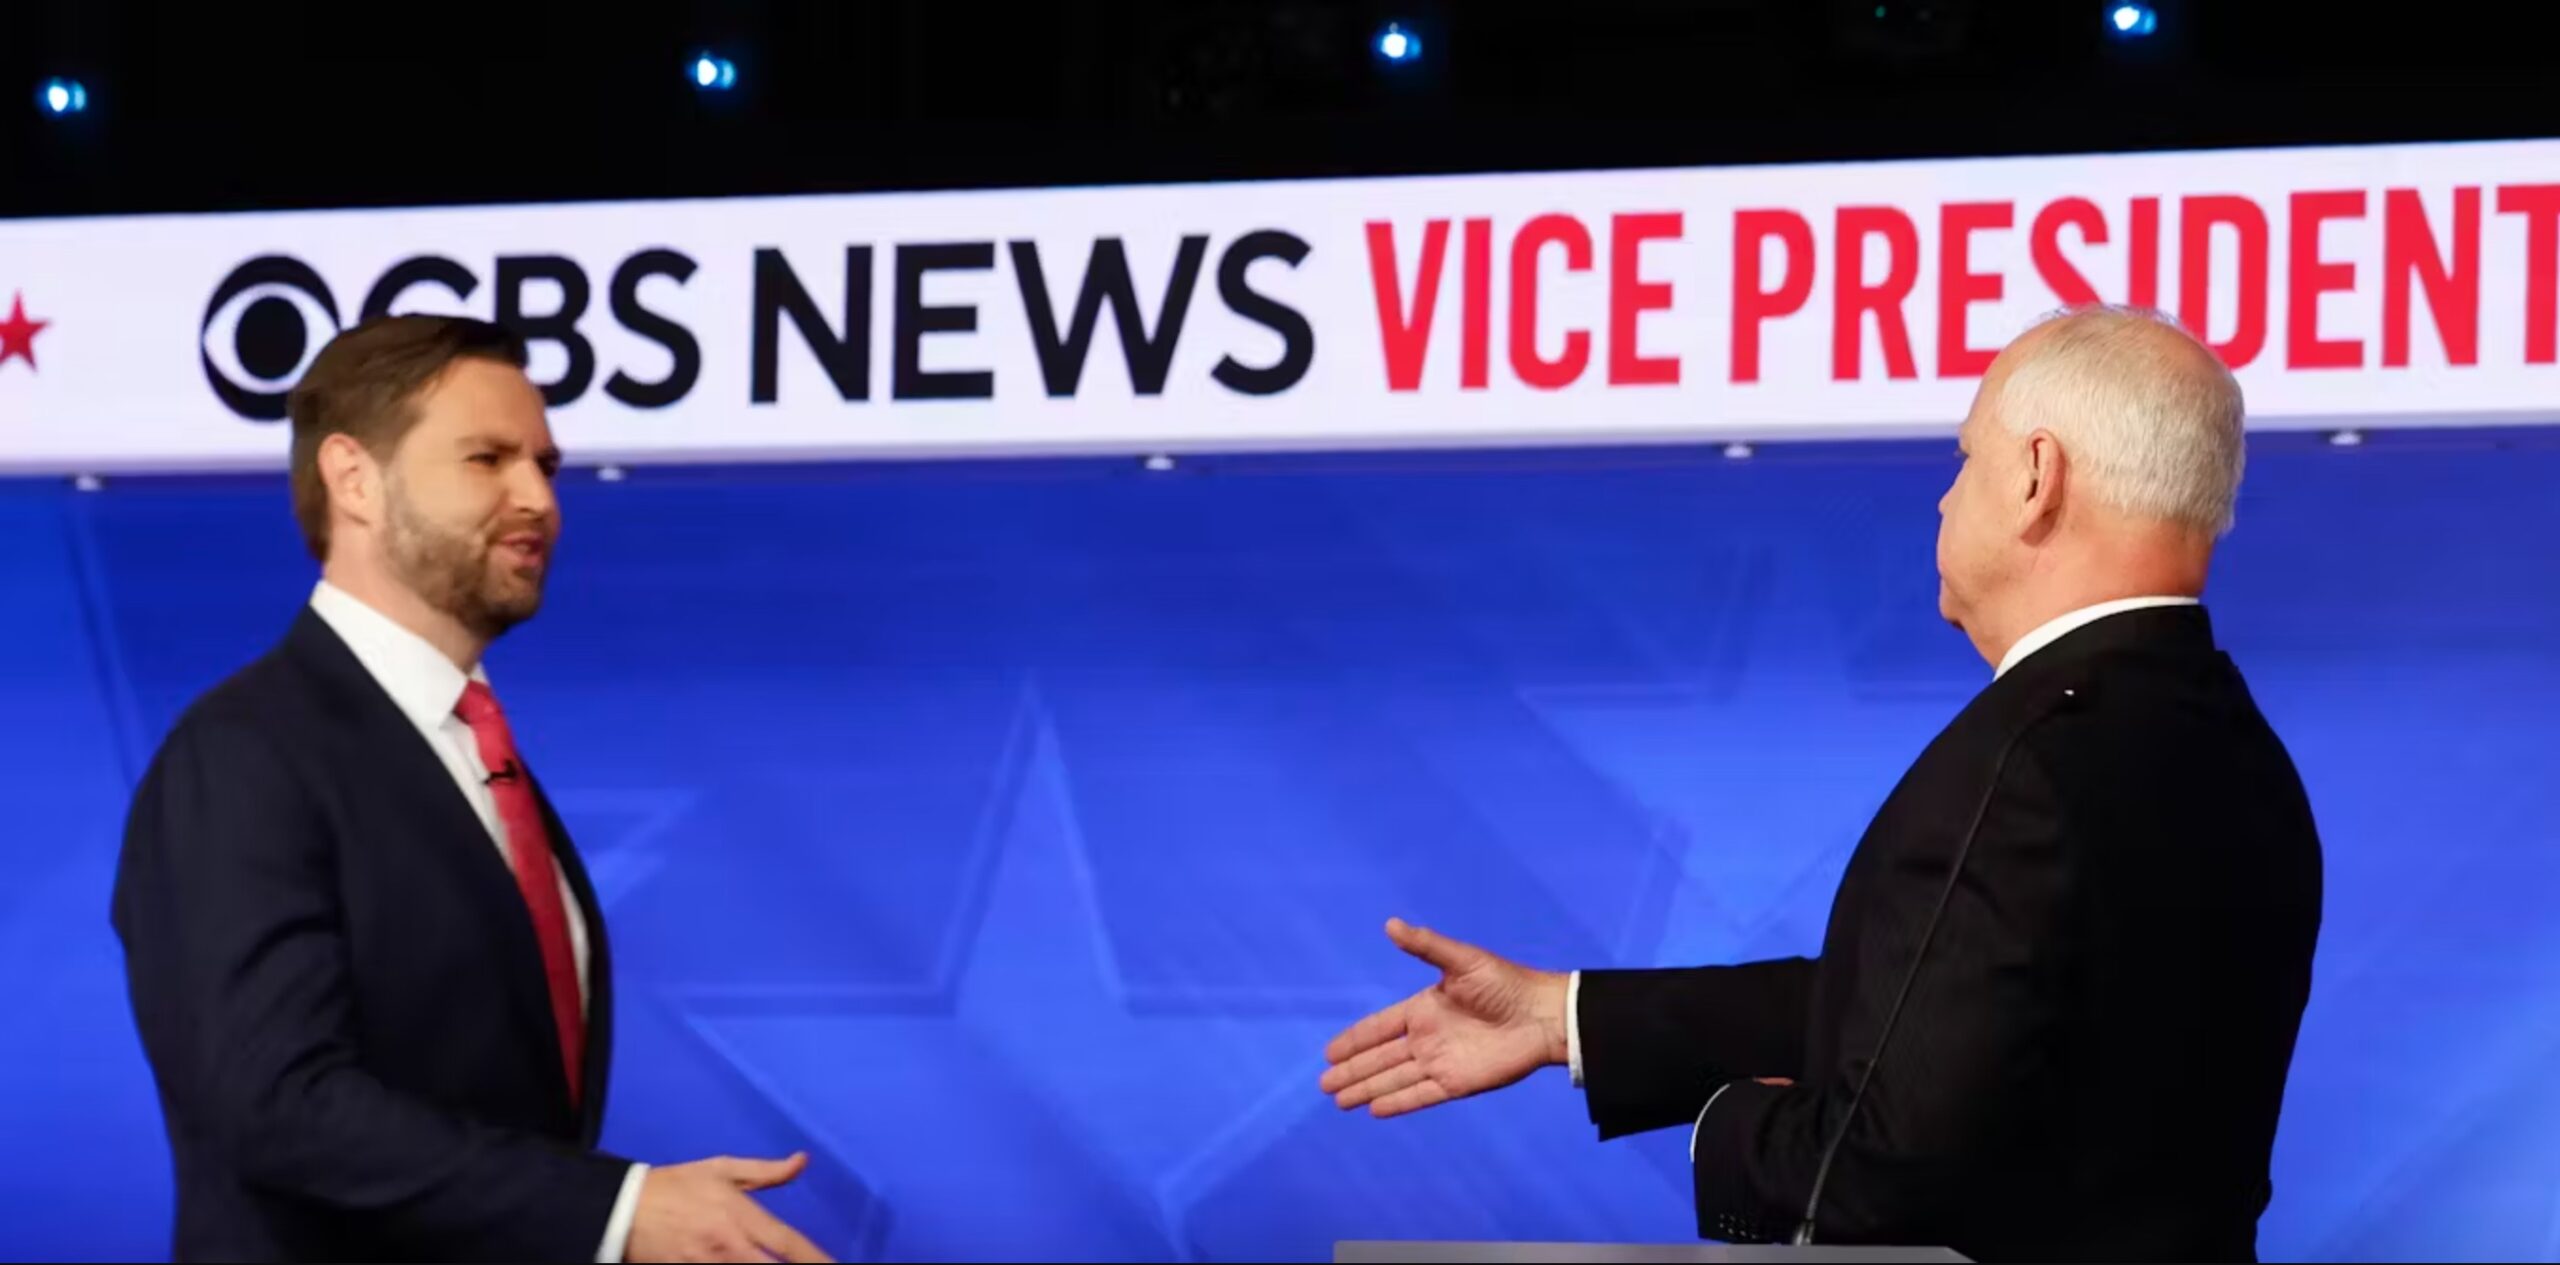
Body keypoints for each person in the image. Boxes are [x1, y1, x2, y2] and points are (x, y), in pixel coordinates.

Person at [1318, 305, 2325, 1262]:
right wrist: (1563, 1016)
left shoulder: (2033, 759)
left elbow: (1879, 1172)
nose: (1942, 495)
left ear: (2034, 477)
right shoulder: (2240, 754)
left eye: (1964, 457)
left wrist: (1729, 1127)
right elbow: (1935, 1005)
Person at [112, 315, 830, 1264]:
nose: (537, 497)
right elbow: (278, 1105)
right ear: (353, 478)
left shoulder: (467, 743)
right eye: (487, 459)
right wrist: (617, 1211)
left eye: (545, 464)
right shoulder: (244, 752)